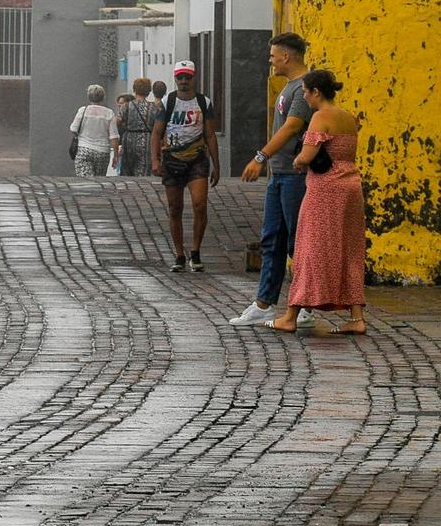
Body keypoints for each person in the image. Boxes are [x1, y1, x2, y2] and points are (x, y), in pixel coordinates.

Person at [229, 34, 315, 328]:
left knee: (296, 242)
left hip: (294, 175)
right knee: (272, 240)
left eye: (272, 55)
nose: (270, 60)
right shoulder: (288, 88)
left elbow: (292, 127)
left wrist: (260, 157)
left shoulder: (304, 89)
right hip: (279, 175)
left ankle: (305, 305)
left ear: (286, 57)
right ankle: (264, 303)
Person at [270, 69, 366, 335]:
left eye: (305, 92)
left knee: (309, 248)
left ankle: (291, 315)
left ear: (316, 92)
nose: (304, 96)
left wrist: (298, 160)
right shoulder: (348, 117)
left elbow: (308, 155)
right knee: (348, 249)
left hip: (325, 190)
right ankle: (357, 318)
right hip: (351, 188)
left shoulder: (320, 117)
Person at [152, 61, 219, 271]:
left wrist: (216, 164)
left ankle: (195, 251)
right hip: (172, 159)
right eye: (180, 77)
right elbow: (156, 132)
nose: (183, 81)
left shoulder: (203, 102)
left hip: (197, 159)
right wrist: (155, 160)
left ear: (194, 78)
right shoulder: (167, 101)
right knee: (175, 208)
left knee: (200, 204)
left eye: (187, 77)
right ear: (175, 78)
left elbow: (209, 134)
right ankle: (179, 254)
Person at [68, 84, 120, 178]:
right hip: (102, 151)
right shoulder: (109, 113)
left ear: (89, 96)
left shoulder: (83, 110)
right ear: (103, 97)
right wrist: (116, 155)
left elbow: (73, 129)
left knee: (85, 180)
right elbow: (114, 137)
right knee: (99, 180)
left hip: (84, 149)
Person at [116, 77, 156, 176]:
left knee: (127, 170)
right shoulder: (153, 107)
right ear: (148, 92)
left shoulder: (127, 106)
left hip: (129, 139)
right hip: (146, 140)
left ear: (134, 90)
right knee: (143, 169)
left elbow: (118, 121)